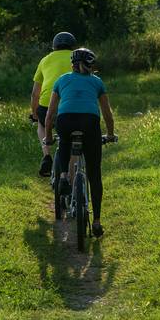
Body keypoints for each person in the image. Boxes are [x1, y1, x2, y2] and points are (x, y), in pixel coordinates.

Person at [44, 47, 116, 238]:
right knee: (94, 172)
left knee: (64, 144)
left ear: (72, 64)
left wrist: (49, 137)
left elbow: (50, 115)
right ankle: (97, 222)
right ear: (91, 65)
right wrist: (110, 134)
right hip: (90, 123)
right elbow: (108, 115)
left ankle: (64, 177)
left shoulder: (61, 80)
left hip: (65, 121)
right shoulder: (97, 82)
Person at [30, 31, 77, 177]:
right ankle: (69, 175)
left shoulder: (45, 60)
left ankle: (46, 155)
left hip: (47, 105)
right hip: (73, 106)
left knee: (41, 123)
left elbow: (35, 94)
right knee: (72, 138)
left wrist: (35, 114)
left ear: (54, 46)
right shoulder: (77, 57)